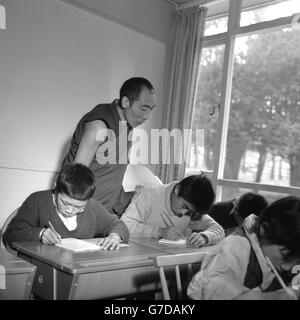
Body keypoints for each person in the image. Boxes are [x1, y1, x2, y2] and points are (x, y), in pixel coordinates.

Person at [62, 77, 156, 217]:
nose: (147, 116)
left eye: (151, 109)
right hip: (82, 214)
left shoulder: (128, 123)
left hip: (106, 213)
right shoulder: (99, 126)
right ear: (125, 102)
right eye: (143, 109)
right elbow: (75, 179)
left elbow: (112, 170)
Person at [187, 196, 300, 300]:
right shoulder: (235, 251)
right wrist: (273, 297)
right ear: (264, 230)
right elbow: (216, 294)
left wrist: (294, 289)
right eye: (285, 256)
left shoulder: (286, 250)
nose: (288, 267)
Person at [3, 164, 129, 250]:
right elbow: (11, 234)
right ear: (56, 188)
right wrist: (40, 234)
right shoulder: (37, 201)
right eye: (65, 203)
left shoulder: (93, 207)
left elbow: (119, 225)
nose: (69, 210)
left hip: (79, 268)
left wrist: (115, 236)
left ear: (87, 200)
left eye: (78, 207)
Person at [121, 173, 225, 248]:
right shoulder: (149, 195)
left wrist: (204, 237)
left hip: (169, 258)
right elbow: (123, 226)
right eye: (184, 206)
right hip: (137, 255)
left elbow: (218, 229)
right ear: (177, 190)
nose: (183, 213)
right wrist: (159, 231)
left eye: (189, 211)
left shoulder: (191, 210)